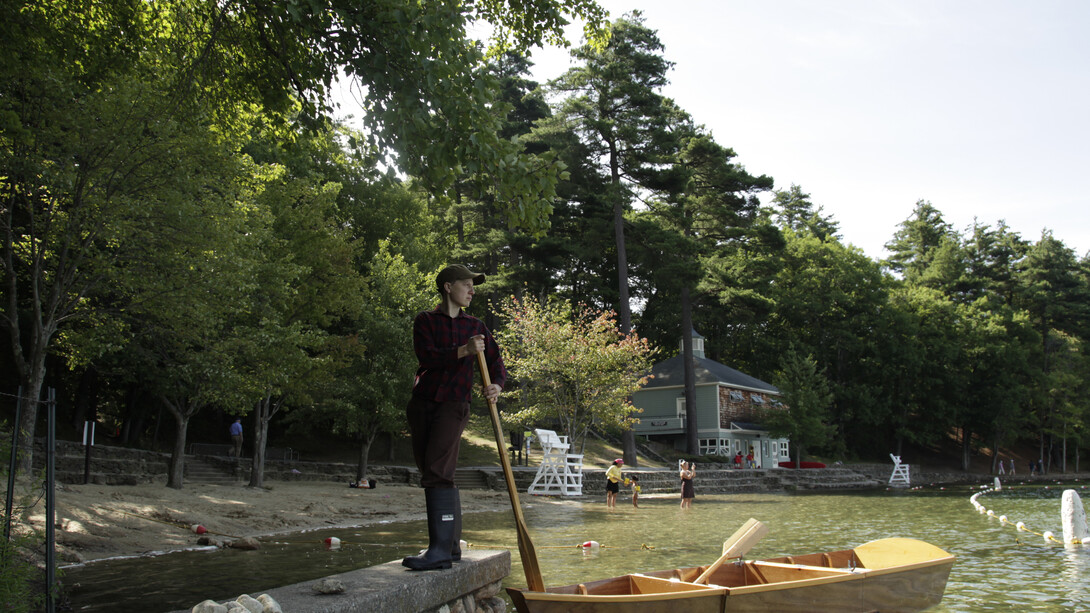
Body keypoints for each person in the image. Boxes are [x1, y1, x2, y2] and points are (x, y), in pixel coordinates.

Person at [402, 265, 506, 572]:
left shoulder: (476, 326)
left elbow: (496, 362)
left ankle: (439, 552)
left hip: (454, 404)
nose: (472, 290)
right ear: (448, 287)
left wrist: (497, 385)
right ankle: (450, 548)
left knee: (437, 470)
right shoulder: (425, 320)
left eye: (473, 286)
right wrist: (463, 350)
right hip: (422, 404)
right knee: (433, 471)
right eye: (467, 285)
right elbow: (427, 357)